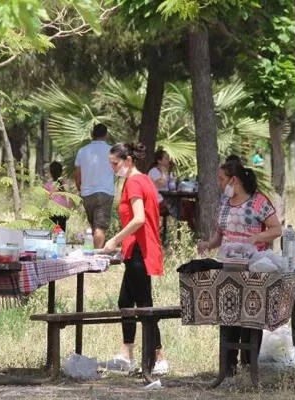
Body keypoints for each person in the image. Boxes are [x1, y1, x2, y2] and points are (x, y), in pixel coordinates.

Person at [197, 160, 281, 375]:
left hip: (253, 269)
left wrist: (255, 238)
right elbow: (220, 235)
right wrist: (208, 244)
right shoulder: (225, 203)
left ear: (234, 180)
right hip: (227, 268)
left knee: (251, 316)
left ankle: (249, 365)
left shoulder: (258, 201)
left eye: (222, 179)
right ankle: (228, 367)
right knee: (228, 314)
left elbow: (276, 229)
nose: (219, 183)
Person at [102, 142, 169, 375]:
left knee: (144, 305)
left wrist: (114, 240)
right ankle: (127, 353)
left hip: (141, 250)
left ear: (128, 161)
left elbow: (139, 218)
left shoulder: (134, 182)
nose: (113, 168)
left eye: (115, 163)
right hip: (136, 250)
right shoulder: (143, 180)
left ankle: (159, 358)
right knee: (125, 302)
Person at [74, 123, 115, 248]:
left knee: (94, 227)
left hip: (87, 194)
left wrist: (80, 189)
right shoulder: (112, 151)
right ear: (106, 135)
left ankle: (93, 253)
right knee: (99, 227)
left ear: (92, 135)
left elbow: (77, 175)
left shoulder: (82, 151)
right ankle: (96, 258)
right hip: (105, 192)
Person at [147, 149, 178, 217]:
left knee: (189, 204)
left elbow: (171, 186)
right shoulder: (154, 171)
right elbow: (161, 184)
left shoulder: (166, 172)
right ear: (159, 161)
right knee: (184, 205)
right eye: (166, 158)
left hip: (167, 198)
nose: (168, 161)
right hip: (158, 201)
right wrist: (164, 172)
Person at [45, 161, 72, 232]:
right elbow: (70, 198)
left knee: (52, 231)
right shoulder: (65, 184)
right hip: (63, 211)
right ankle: (60, 242)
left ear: (50, 172)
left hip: (52, 211)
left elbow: (46, 199)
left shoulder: (48, 184)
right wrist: (68, 211)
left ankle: (53, 242)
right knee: (61, 232)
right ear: (61, 172)